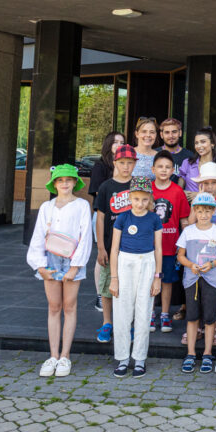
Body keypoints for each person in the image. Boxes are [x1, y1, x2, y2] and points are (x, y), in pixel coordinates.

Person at [26, 164, 92, 378]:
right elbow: (38, 236)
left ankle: (65, 356)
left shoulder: (82, 205)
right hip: (50, 260)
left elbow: (85, 237)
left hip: (72, 259)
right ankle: (52, 355)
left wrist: (75, 267)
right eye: (60, 180)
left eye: (68, 180)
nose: (64, 183)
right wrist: (39, 265)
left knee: (69, 307)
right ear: (54, 184)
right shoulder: (47, 207)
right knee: (54, 307)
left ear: (75, 183)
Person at [108, 176, 163, 377]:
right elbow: (114, 249)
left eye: (145, 200)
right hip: (125, 264)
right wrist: (114, 278)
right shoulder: (123, 218)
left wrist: (157, 276)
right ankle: (123, 358)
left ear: (150, 199)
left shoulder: (155, 219)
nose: (140, 204)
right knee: (122, 312)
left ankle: (139, 358)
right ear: (130, 197)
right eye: (137, 199)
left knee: (144, 311)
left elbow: (158, 248)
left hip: (147, 263)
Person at [177, 192, 216, 374]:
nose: (204, 215)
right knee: (192, 317)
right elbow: (180, 255)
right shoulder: (188, 231)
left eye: (207, 211)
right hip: (192, 279)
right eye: (200, 211)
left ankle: (207, 354)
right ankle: (191, 354)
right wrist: (191, 265)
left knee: (210, 318)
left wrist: (212, 263)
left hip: (212, 280)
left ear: (213, 211)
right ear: (195, 211)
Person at [94, 144, 137, 343]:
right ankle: (107, 322)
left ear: (135, 164)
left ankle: (128, 323)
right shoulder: (106, 187)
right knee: (107, 286)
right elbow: (100, 218)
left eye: (130, 163)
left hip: (134, 246)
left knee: (130, 287)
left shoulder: (139, 184)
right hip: (111, 246)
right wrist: (101, 247)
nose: (126, 166)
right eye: (122, 163)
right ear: (115, 163)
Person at [150, 150, 191, 333]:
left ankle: (165, 314)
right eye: (160, 167)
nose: (164, 170)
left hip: (170, 246)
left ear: (173, 170)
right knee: (149, 280)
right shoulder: (148, 189)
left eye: (168, 167)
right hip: (148, 247)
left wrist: (184, 245)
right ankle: (150, 314)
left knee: (167, 282)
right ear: (153, 169)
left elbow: (184, 221)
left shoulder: (178, 192)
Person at [89, 131, 125, 314]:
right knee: (102, 256)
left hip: (124, 218)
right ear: (108, 144)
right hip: (104, 215)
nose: (118, 144)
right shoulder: (100, 166)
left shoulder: (125, 166)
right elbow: (97, 193)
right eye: (115, 141)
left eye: (122, 142)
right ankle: (100, 295)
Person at [179, 127, 216, 199]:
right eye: (196, 143)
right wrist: (181, 192)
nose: (199, 146)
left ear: (212, 143)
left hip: (209, 207)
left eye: (203, 142)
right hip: (188, 206)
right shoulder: (188, 162)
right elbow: (179, 188)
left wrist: (199, 194)